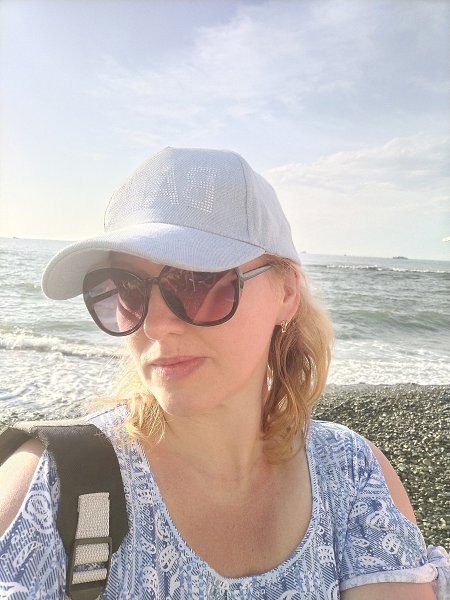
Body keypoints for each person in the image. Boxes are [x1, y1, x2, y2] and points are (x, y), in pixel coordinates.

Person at [0, 147, 448, 600]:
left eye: (195, 281)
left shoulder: (350, 475)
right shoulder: (51, 490)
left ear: (286, 293)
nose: (155, 324)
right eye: (125, 289)